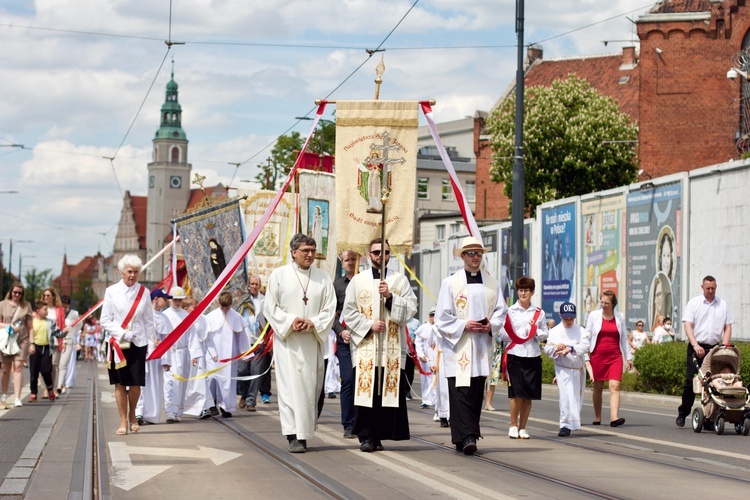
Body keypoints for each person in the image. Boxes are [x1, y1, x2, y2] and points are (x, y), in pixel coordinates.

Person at [344, 237, 417, 453]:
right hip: (366, 345)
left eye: (384, 252)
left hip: (390, 347)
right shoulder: (358, 280)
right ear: (369, 255)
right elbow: (349, 311)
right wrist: (369, 325)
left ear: (389, 255)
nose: (380, 256)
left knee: (385, 393)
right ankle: (366, 436)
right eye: (376, 252)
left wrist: (390, 297)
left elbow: (411, 308)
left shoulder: (399, 280)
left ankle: (380, 435)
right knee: (367, 392)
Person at [265, 233, 337, 453]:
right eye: (305, 250)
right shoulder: (279, 275)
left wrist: (313, 322)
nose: (310, 255)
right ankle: (293, 435)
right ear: (293, 252)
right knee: (288, 390)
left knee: (310, 390)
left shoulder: (322, 278)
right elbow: (270, 307)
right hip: (288, 343)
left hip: (311, 343)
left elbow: (330, 307)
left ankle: (305, 432)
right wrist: (290, 321)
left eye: (313, 251)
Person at [435, 236, 506, 454]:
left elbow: (501, 312)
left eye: (478, 253)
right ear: (463, 256)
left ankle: (466, 436)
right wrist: (464, 324)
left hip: (481, 346)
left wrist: (490, 326)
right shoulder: (450, 283)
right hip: (459, 347)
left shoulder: (492, 283)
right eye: (471, 253)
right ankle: (467, 437)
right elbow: (441, 317)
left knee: (475, 392)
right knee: (460, 393)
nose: (475, 257)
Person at [101, 254, 154, 435]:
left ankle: (133, 415)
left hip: (138, 343)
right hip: (117, 343)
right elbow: (105, 321)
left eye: (136, 272)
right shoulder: (111, 291)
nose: (132, 275)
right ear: (122, 272)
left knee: (136, 383)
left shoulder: (144, 292)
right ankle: (123, 420)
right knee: (120, 384)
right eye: (129, 271)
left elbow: (149, 321)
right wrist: (123, 333)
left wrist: (151, 343)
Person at [676, 276, 732, 427]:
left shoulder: (722, 305)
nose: (710, 291)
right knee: (690, 382)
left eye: (713, 288)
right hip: (697, 348)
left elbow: (727, 327)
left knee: (713, 383)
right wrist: (695, 345)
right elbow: (688, 325)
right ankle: (683, 413)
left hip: (714, 350)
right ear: (702, 287)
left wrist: (725, 346)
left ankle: (709, 415)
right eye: (708, 288)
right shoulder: (694, 303)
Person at [500, 276, 547, 440]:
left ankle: (523, 428)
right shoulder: (510, 311)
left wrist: (536, 333)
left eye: (526, 290)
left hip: (532, 355)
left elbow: (545, 333)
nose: (523, 293)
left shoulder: (539, 313)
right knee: (516, 393)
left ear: (532, 292)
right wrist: (519, 334)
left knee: (528, 394)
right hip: (515, 354)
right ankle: (513, 425)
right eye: (520, 290)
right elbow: (502, 333)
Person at [585, 290, 632, 427]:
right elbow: (587, 335)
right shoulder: (594, 315)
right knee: (598, 386)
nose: (604, 305)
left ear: (613, 304)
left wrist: (628, 357)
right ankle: (597, 416)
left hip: (615, 356)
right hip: (597, 355)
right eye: (602, 302)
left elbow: (623, 338)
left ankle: (614, 417)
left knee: (615, 386)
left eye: (607, 303)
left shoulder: (619, 317)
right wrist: (583, 353)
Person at [543, 302, 590, 436]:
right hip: (563, 369)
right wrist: (556, 348)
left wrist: (571, 348)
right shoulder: (554, 331)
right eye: (566, 318)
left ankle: (573, 422)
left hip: (578, 369)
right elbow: (547, 348)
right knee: (565, 397)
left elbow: (585, 345)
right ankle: (564, 425)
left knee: (575, 398)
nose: (569, 321)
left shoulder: (580, 330)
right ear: (560, 315)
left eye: (571, 318)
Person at [206, 291, 251, 418]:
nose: (225, 310)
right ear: (218, 303)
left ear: (231, 304)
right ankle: (212, 403)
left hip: (230, 356)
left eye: (227, 307)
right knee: (212, 379)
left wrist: (245, 354)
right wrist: (211, 352)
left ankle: (226, 406)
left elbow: (242, 338)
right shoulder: (210, 317)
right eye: (222, 307)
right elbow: (207, 337)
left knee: (228, 381)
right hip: (213, 355)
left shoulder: (236, 317)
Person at [135, 288, 171, 426]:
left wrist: (166, 360)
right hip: (143, 353)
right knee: (140, 384)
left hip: (156, 357)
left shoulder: (164, 318)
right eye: (164, 299)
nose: (167, 302)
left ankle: (151, 415)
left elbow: (167, 340)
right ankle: (138, 411)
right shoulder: (143, 313)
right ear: (156, 299)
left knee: (155, 386)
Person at [332, 250, 358, 438]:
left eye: (353, 259)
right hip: (345, 339)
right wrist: (341, 331)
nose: (350, 263)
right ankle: (348, 424)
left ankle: (363, 422)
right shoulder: (337, 285)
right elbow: (331, 315)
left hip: (365, 338)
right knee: (348, 380)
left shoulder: (365, 282)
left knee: (363, 381)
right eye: (347, 260)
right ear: (342, 263)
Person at [237, 275, 270, 412]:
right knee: (242, 371)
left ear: (260, 285)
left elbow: (269, 320)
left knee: (256, 372)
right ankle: (244, 394)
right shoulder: (243, 301)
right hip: (245, 342)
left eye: (256, 284)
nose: (254, 286)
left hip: (259, 342)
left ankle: (251, 401)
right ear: (248, 285)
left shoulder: (265, 301)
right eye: (252, 284)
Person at [1, 281, 33, 407]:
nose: (17, 295)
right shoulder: (2, 305)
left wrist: (32, 343)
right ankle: (4, 394)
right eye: (15, 292)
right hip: (7, 340)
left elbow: (30, 327)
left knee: (18, 366)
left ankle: (17, 397)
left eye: (20, 293)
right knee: (5, 368)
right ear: (11, 292)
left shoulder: (26, 306)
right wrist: (9, 326)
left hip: (21, 340)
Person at [163, 286, 191, 423]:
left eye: (179, 300)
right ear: (170, 300)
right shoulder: (165, 315)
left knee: (181, 383)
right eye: (175, 300)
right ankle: (169, 410)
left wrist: (194, 353)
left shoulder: (186, 316)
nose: (177, 302)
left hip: (182, 353)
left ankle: (178, 411)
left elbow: (192, 336)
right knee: (169, 382)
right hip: (169, 352)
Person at [182, 296, 212, 419]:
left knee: (200, 380)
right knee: (187, 383)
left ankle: (203, 407)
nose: (197, 309)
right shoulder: (182, 318)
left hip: (199, 353)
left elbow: (205, 337)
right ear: (186, 308)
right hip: (183, 353)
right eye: (194, 307)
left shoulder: (202, 318)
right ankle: (184, 405)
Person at [28, 301, 56, 402]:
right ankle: (33, 393)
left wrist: (64, 332)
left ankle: (50, 389)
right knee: (34, 372)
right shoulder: (32, 322)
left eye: (47, 309)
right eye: (45, 309)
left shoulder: (50, 322)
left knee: (46, 371)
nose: (47, 311)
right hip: (35, 348)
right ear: (38, 311)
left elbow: (57, 332)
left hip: (47, 348)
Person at [41, 287, 65, 397]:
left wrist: (63, 340)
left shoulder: (59, 310)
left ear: (53, 297)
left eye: (48, 295)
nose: (46, 297)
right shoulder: (40, 309)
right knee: (44, 366)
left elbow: (62, 326)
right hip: (42, 340)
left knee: (54, 365)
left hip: (55, 341)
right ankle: (45, 389)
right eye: (44, 295)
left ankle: (52, 388)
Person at [56, 295, 81, 395]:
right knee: (56, 364)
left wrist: (73, 333)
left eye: (66, 306)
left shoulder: (74, 314)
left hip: (69, 341)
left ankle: (60, 385)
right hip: (57, 340)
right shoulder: (57, 312)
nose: (64, 308)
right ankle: (58, 383)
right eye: (62, 306)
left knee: (63, 364)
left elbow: (80, 324)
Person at [415, 309, 437, 409]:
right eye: (433, 316)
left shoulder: (438, 327)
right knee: (425, 380)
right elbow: (418, 342)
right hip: (425, 358)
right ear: (430, 316)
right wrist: (421, 354)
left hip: (436, 357)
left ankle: (436, 400)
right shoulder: (423, 328)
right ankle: (426, 400)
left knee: (435, 379)